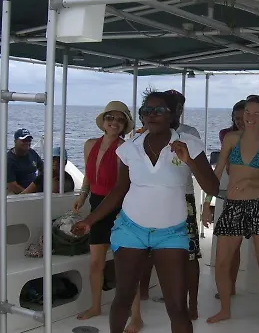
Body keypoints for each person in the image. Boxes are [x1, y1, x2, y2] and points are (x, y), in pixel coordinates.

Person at [71, 90, 220, 333]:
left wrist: (189, 161)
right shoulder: (130, 147)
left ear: (172, 114)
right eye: (146, 111)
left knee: (177, 307)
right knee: (123, 297)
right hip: (131, 229)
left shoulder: (189, 144)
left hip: (171, 234)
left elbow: (212, 187)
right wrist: (90, 220)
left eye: (159, 110)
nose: (152, 115)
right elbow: (119, 190)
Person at [207, 95, 259, 324]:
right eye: (248, 112)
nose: (250, 117)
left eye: (257, 113)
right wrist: (207, 203)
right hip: (233, 206)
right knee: (221, 262)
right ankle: (225, 310)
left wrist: (250, 182)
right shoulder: (230, 138)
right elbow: (217, 172)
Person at [135, 89, 203, 324]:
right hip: (150, 200)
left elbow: (198, 168)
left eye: (178, 107)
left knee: (190, 254)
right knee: (146, 249)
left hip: (183, 199)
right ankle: (144, 293)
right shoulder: (144, 133)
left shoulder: (189, 134)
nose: (176, 111)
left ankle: (192, 304)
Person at [72, 101, 133, 321]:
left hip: (119, 206)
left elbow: (123, 185)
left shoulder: (125, 148)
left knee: (125, 264)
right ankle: (95, 306)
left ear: (124, 124)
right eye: (110, 118)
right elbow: (89, 176)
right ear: (103, 121)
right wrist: (82, 196)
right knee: (95, 262)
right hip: (96, 204)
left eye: (120, 119)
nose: (114, 122)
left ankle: (134, 314)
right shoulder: (89, 145)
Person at [202, 99, 246, 300]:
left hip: (255, 198)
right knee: (230, 247)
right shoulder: (226, 135)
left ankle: (231, 286)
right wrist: (207, 202)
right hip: (232, 195)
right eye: (237, 118)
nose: (240, 122)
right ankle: (228, 288)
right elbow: (218, 171)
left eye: (244, 117)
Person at [7, 128, 43, 194]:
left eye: (29, 140)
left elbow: (43, 168)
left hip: (33, 190)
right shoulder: (8, 160)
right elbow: (12, 186)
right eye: (24, 140)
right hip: (17, 194)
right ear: (15, 141)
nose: (27, 142)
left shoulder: (32, 152)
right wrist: (29, 195)